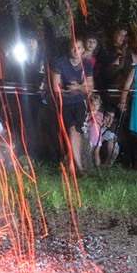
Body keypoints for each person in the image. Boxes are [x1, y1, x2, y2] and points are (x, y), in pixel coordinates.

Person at [50, 38, 93, 174]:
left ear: (83, 50)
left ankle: (72, 165)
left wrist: (79, 87)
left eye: (79, 48)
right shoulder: (60, 63)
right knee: (72, 131)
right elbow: (56, 88)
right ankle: (78, 167)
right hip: (65, 102)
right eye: (74, 48)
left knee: (77, 132)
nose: (76, 50)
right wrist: (67, 90)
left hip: (79, 102)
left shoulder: (86, 66)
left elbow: (89, 88)